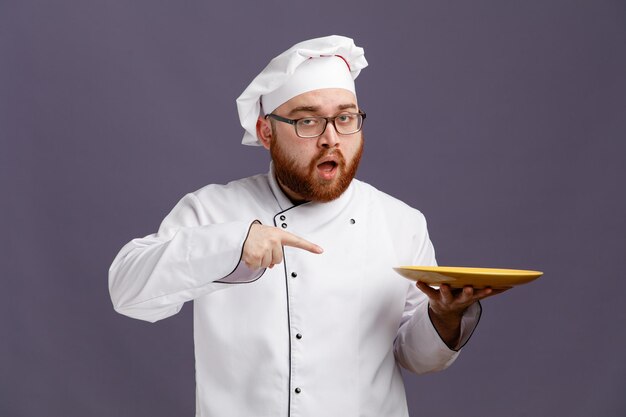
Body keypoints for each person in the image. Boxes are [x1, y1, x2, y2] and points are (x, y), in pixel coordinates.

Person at [109, 35, 504, 417]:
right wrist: (232, 245)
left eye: (345, 118)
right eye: (308, 121)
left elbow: (417, 359)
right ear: (267, 131)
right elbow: (126, 289)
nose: (331, 139)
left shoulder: (400, 222)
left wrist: (446, 316)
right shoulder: (212, 209)